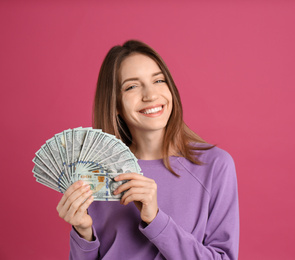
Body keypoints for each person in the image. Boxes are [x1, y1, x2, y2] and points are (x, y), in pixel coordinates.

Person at [56, 40, 239, 259]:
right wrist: (83, 233)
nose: (150, 95)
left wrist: (156, 219)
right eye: (132, 86)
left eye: (158, 80)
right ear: (115, 104)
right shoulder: (96, 173)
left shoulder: (214, 165)